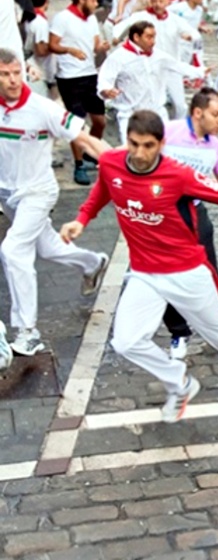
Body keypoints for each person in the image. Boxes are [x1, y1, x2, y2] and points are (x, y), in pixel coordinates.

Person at [60, 110, 218, 424]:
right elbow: (103, 190)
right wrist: (81, 219)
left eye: (149, 146)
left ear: (162, 143)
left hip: (188, 274)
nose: (140, 153)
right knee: (125, 341)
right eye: (134, 144)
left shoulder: (179, 175)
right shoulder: (113, 162)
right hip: (144, 274)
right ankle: (179, 383)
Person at [0, 49, 111, 356]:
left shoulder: (43, 109)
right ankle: (92, 262)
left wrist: (126, 168)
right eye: (4, 74)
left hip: (38, 192)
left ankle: (27, 331)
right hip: (8, 194)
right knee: (46, 247)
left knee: (13, 249)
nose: (12, 80)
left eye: (16, 72)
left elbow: (86, 139)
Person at [159, 88, 218, 359]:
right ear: (197, 112)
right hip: (164, 217)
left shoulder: (215, 146)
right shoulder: (168, 132)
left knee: (209, 274)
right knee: (167, 277)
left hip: (195, 214)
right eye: (216, 114)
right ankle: (179, 333)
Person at [98, 21, 206, 143]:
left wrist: (201, 71)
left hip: (157, 112)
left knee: (166, 147)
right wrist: (106, 90)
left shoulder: (158, 55)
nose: (153, 41)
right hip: (130, 114)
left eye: (154, 36)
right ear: (136, 37)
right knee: (130, 150)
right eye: (149, 37)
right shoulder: (118, 58)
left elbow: (177, 66)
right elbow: (105, 78)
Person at [49, 0, 110, 185]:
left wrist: (103, 46)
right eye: (93, 0)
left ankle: (88, 150)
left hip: (90, 74)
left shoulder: (91, 19)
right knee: (77, 123)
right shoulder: (62, 18)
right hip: (69, 77)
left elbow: (94, 45)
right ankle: (79, 164)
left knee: (100, 121)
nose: (95, 4)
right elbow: (53, 44)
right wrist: (69, 51)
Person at [112, 0, 202, 120]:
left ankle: (177, 129)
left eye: (161, 1)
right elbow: (124, 26)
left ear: (167, 2)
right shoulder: (142, 17)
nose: (158, 5)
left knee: (180, 104)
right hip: (151, 67)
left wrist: (190, 36)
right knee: (153, 102)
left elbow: (192, 32)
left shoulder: (174, 19)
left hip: (171, 66)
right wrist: (117, 36)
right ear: (150, 1)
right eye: (155, 1)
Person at [26, 0, 57, 97]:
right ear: (46, 1)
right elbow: (40, 50)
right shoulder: (39, 22)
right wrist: (56, 46)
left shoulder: (28, 17)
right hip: (40, 71)